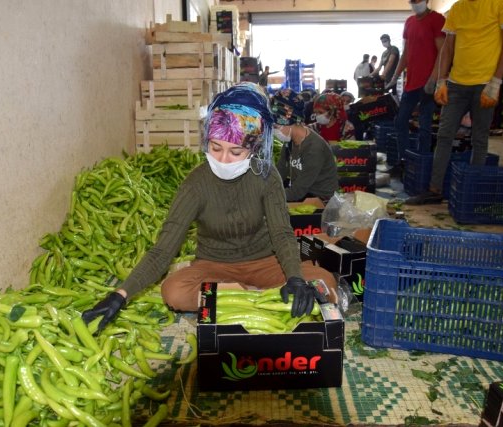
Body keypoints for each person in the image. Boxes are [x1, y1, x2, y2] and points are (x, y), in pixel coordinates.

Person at [81, 83, 338, 330]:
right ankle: (256, 298)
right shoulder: (196, 184)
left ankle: (233, 298)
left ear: (253, 148)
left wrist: (293, 277)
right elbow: (162, 250)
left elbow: (282, 234)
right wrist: (120, 295)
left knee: (323, 282)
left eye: (235, 152)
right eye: (215, 148)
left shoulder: (266, 176)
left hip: (265, 264)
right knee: (173, 292)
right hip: (214, 267)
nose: (223, 159)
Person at [406, 0, 503, 205]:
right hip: (457, 83)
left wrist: (496, 82)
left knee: (479, 138)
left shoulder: (502, 3)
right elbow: (448, 46)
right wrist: (442, 80)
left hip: (485, 83)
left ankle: (473, 190)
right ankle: (435, 189)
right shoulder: (458, 8)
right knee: (444, 134)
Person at [386, 0, 445, 162]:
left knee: (425, 125)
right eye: (412, 1)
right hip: (411, 82)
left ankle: (422, 162)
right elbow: (406, 52)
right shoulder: (409, 22)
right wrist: (395, 76)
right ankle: (404, 160)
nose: (415, 3)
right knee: (400, 121)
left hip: (428, 84)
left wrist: (434, 79)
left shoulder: (437, 19)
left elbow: (443, 52)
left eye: (418, 0)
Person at [273, 88, 339, 203]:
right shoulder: (290, 140)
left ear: (289, 123)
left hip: (320, 199)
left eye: (276, 127)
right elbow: (281, 170)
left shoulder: (314, 148)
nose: (275, 131)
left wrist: (268, 197)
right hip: (303, 192)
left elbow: (298, 191)